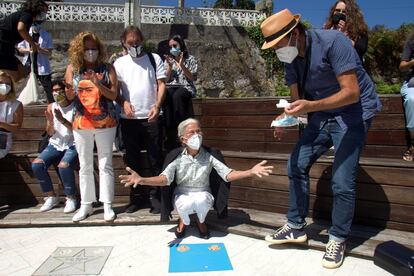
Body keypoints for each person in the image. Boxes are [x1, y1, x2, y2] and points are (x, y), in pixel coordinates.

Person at [260, 9, 381, 269]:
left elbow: (351, 93)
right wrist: (286, 118)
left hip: (354, 112)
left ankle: (337, 238)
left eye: (277, 44)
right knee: (296, 163)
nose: (276, 50)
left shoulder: (333, 42)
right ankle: (295, 226)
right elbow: (296, 101)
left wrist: (310, 106)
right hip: (321, 113)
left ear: (294, 34)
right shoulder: (290, 57)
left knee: (341, 180)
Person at [120, 118, 273, 239]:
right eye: (191, 132)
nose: (196, 135)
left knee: (200, 201)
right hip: (182, 193)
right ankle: (184, 220)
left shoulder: (210, 154)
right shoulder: (176, 157)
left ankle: (201, 222)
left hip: (203, 192)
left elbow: (227, 174)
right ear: (183, 139)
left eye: (198, 131)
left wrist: (250, 172)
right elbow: (165, 179)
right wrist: (142, 180)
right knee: (185, 204)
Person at [65, 31, 118, 222]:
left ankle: (107, 205)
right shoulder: (73, 68)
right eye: (86, 49)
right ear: (80, 50)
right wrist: (68, 92)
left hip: (106, 122)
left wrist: (98, 84)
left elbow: (113, 95)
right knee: (85, 164)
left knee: (106, 164)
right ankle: (86, 205)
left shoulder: (108, 68)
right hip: (81, 121)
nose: (90, 52)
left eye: (93, 48)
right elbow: (69, 97)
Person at [113, 26, 166, 214]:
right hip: (128, 119)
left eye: (137, 42)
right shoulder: (119, 63)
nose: (134, 45)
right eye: (130, 43)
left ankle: (156, 197)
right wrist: (123, 102)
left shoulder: (154, 59)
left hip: (151, 117)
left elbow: (161, 84)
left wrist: (157, 106)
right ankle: (135, 198)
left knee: (155, 158)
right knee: (131, 160)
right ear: (123, 43)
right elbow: (115, 91)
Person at [31, 80, 78, 213]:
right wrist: (51, 122)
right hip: (56, 143)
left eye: (60, 90)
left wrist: (62, 120)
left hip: (72, 143)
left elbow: (76, 130)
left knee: (64, 166)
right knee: (37, 165)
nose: (57, 93)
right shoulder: (51, 106)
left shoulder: (75, 106)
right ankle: (51, 196)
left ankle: (71, 197)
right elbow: (50, 133)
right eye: (55, 91)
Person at [163, 34, 198, 150]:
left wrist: (181, 64)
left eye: (175, 45)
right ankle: (169, 131)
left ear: (181, 45)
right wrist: (169, 66)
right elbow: (166, 79)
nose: (172, 48)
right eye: (170, 46)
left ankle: (181, 129)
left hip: (186, 86)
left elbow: (193, 78)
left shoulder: (190, 59)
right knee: (167, 94)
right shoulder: (169, 60)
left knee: (178, 96)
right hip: (172, 86)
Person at [0, 0, 48, 82]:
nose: (45, 13)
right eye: (44, 11)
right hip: (2, 47)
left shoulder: (25, 16)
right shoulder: (27, 16)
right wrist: (32, 44)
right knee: (10, 75)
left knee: (21, 72)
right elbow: (21, 29)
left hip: (8, 47)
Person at [17, 20, 53, 103]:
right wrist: (29, 49)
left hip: (42, 65)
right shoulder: (25, 34)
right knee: (26, 85)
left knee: (47, 86)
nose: (36, 26)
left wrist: (39, 49)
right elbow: (20, 48)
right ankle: (25, 102)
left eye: (38, 24)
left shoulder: (46, 35)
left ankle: (52, 103)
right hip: (29, 63)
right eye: (34, 24)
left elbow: (49, 52)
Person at [0, 70, 23, 159]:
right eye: (1, 82)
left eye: (7, 83)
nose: (4, 86)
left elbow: (17, 127)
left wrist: (2, 124)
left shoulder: (16, 104)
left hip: (3, 138)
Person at [400, 32, 414, 161]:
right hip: (412, 83)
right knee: (411, 99)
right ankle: (413, 144)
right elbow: (402, 66)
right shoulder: (411, 42)